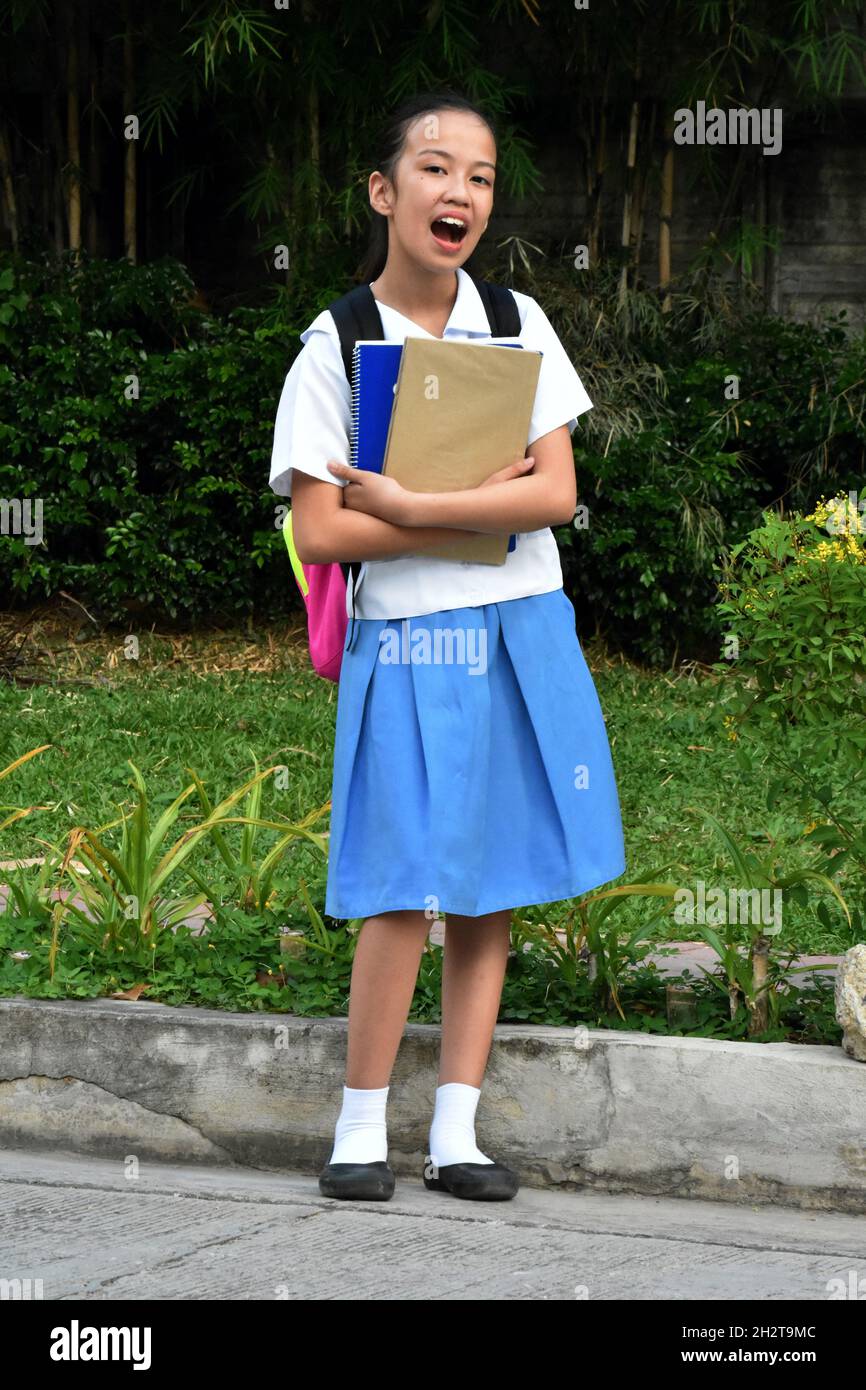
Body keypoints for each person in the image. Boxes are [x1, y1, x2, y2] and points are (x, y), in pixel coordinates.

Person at [269, 88, 626, 1204]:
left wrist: (416, 499)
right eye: (433, 169)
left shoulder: (517, 324)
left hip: (520, 627)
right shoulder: (336, 343)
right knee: (396, 878)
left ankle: (458, 1132)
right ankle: (358, 1126)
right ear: (383, 193)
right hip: (407, 637)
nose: (457, 192)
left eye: (476, 176)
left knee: (490, 878)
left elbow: (557, 493)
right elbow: (320, 523)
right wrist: (482, 500)